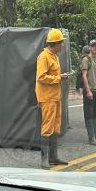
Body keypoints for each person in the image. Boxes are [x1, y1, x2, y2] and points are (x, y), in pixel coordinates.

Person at [36, 29, 70, 168]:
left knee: (56, 127)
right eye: (60, 43)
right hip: (47, 98)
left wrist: (60, 77)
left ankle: (53, 157)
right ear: (54, 44)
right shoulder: (44, 57)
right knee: (47, 128)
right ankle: (44, 159)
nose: (62, 46)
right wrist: (59, 78)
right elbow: (41, 77)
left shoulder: (54, 56)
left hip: (56, 97)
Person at [81, 40, 96, 146]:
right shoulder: (86, 59)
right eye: (93, 46)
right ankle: (91, 138)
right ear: (89, 48)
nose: (95, 48)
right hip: (90, 91)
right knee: (89, 114)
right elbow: (84, 76)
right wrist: (88, 91)